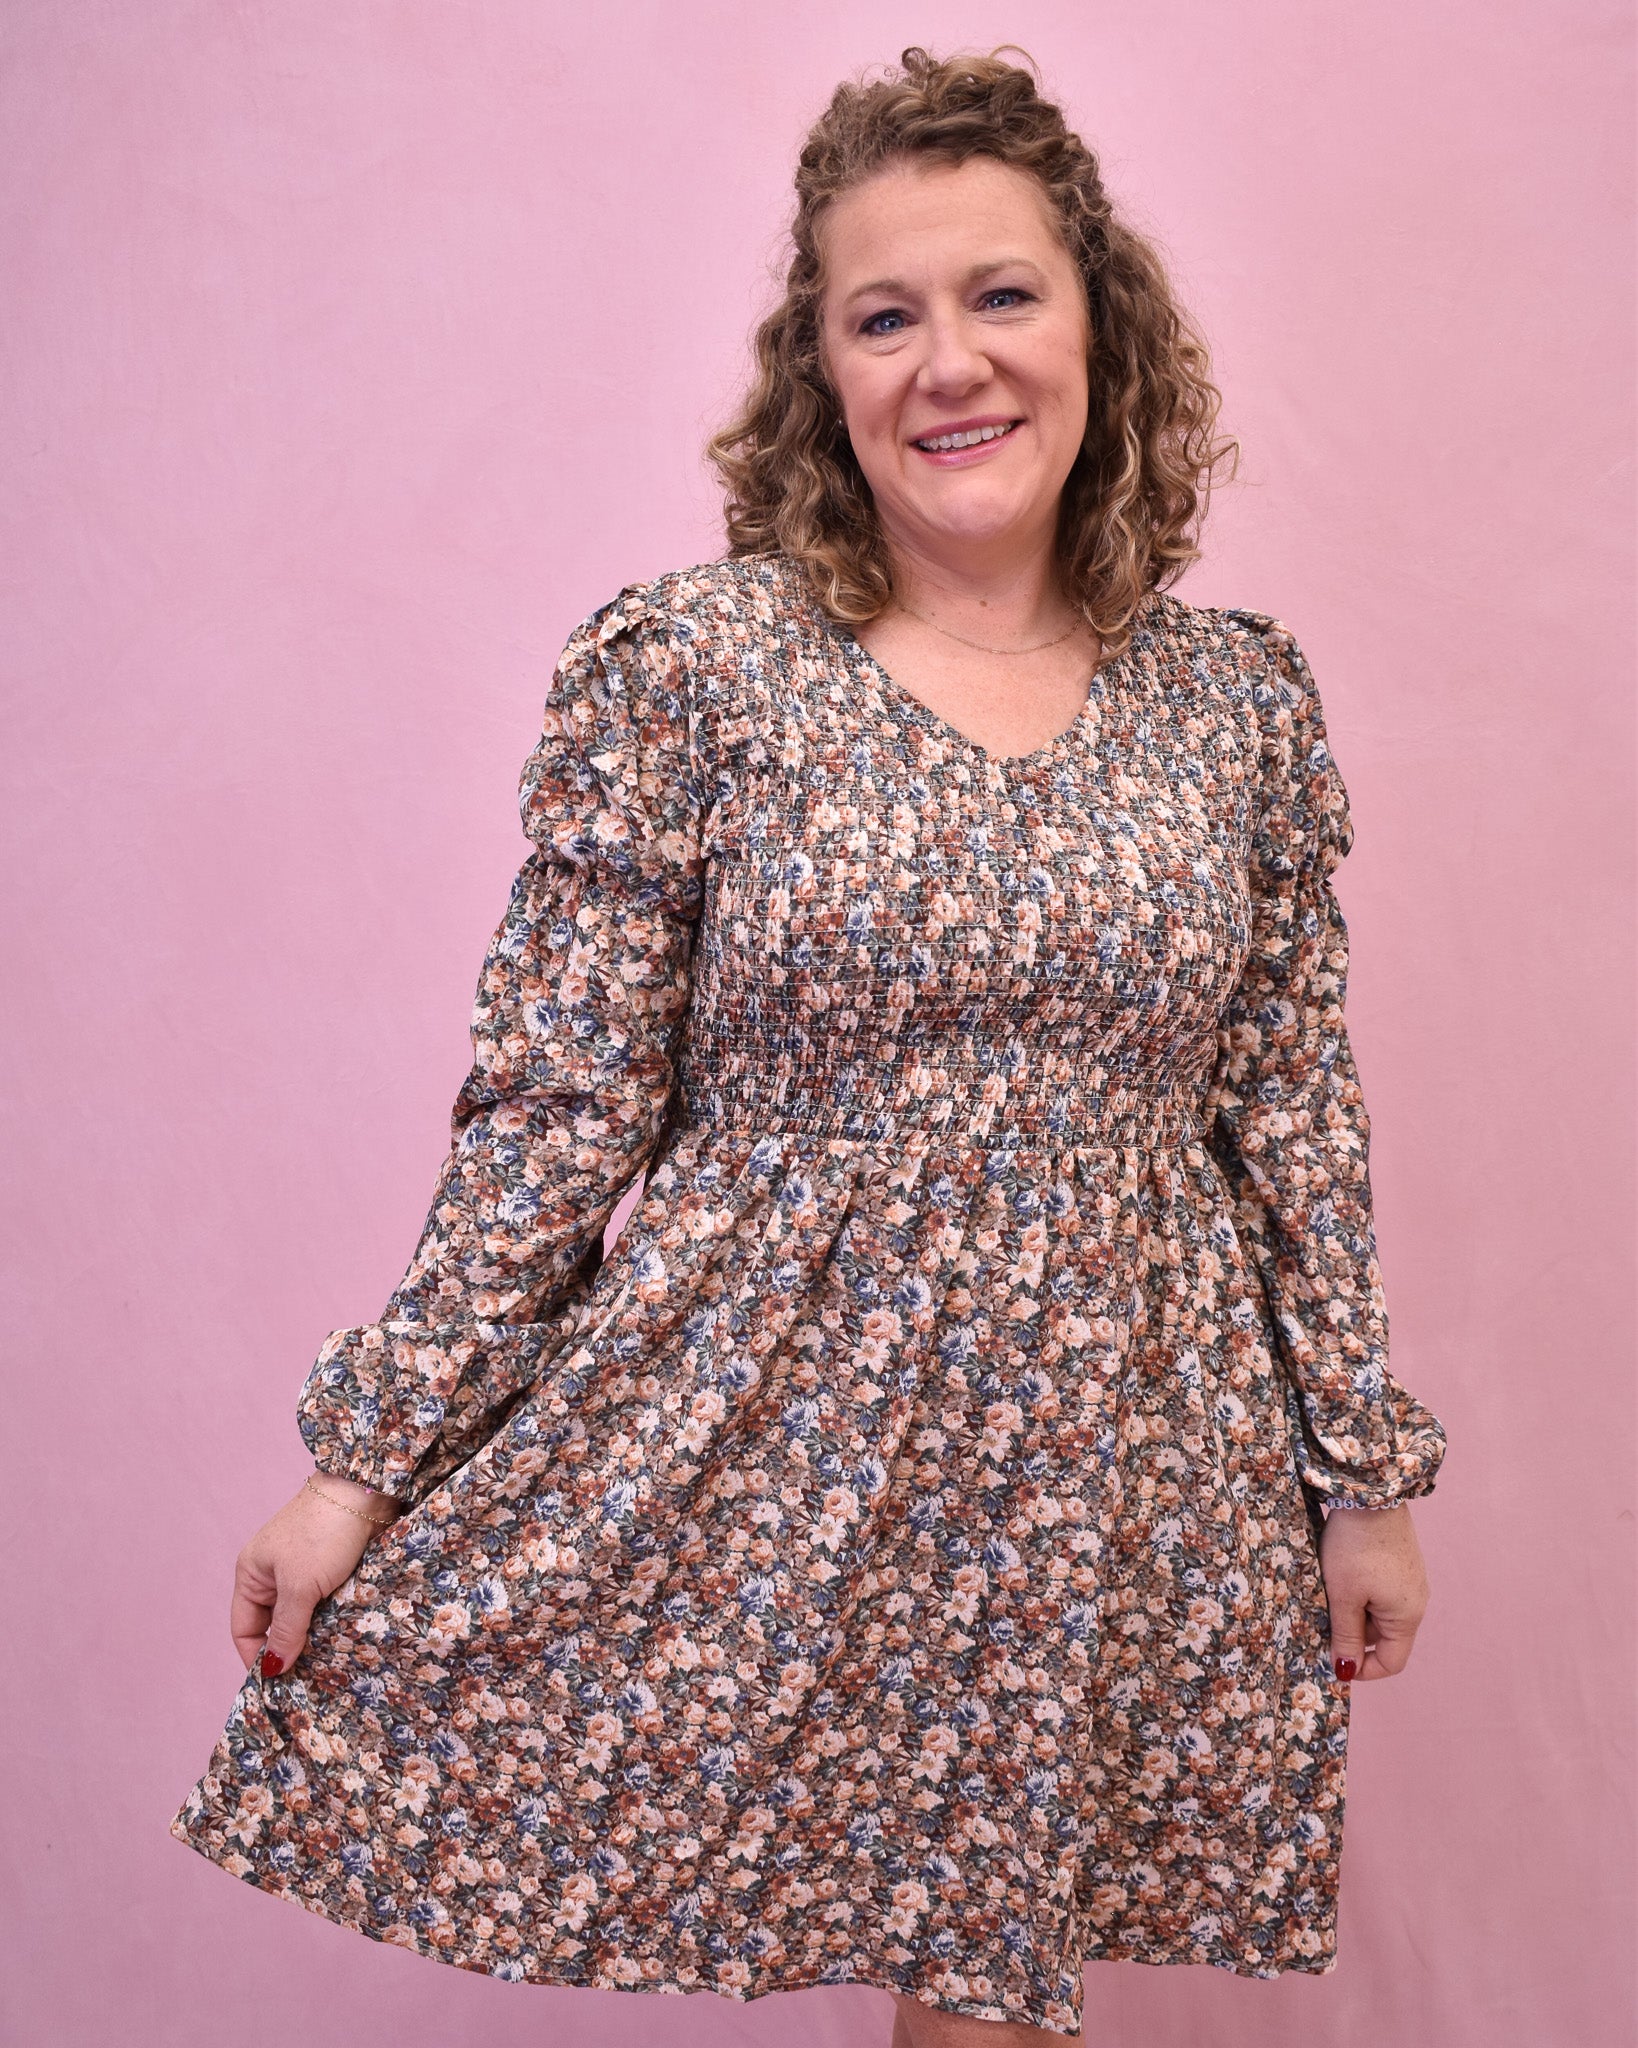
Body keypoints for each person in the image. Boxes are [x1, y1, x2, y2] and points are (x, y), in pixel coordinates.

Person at [173, 46, 1445, 2046]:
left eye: (1001, 294)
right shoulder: (694, 670)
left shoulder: (1236, 704)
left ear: (1098, 326)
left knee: (1006, 2001)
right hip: (779, 1442)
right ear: (822, 375)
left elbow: (1290, 1110)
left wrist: (1359, 1474)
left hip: (1130, 1449)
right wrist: (363, 1468)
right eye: (884, 316)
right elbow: (556, 1106)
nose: (952, 362)